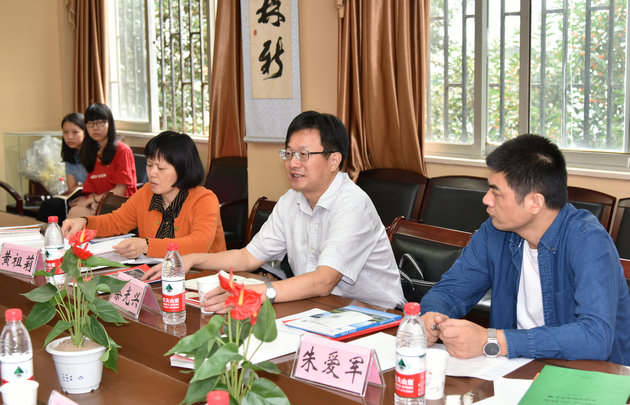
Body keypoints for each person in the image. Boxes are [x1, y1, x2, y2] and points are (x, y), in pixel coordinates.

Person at [143, 111, 405, 310]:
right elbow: (248, 258)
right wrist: (192, 259)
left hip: (377, 315)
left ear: (334, 160)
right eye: (288, 154)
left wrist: (257, 293)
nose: (293, 163)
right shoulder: (292, 200)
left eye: (303, 154)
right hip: (318, 307)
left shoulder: (352, 204)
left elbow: (323, 280)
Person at [420, 134, 630, 366]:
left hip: (587, 374)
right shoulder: (494, 231)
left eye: (496, 192)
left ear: (534, 203)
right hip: (514, 369)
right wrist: (432, 318)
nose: (486, 199)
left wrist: (492, 340)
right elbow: (450, 292)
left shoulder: (588, 240)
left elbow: (596, 337)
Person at [61, 131, 227, 258]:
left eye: (161, 168)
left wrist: (146, 245)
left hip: (202, 278)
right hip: (158, 274)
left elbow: (199, 244)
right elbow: (116, 222)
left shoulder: (204, 199)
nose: (152, 173)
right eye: (149, 165)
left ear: (183, 169)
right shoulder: (147, 193)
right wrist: (84, 222)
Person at [67, 103, 137, 218]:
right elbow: (91, 190)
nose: (95, 128)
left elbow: (119, 191)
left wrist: (94, 201)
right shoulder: (92, 153)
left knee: (76, 214)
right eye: (90, 123)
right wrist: (94, 202)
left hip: (121, 208)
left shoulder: (122, 150)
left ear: (110, 123)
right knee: (75, 212)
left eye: (100, 122)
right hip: (101, 206)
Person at [36, 112, 88, 222]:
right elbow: (72, 187)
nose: (69, 137)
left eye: (75, 132)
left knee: (61, 210)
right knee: (49, 205)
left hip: (94, 196)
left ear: (85, 132)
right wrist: (84, 187)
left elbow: (99, 184)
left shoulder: (95, 153)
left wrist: (84, 188)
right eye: (65, 132)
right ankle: (45, 232)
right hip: (80, 195)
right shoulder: (71, 154)